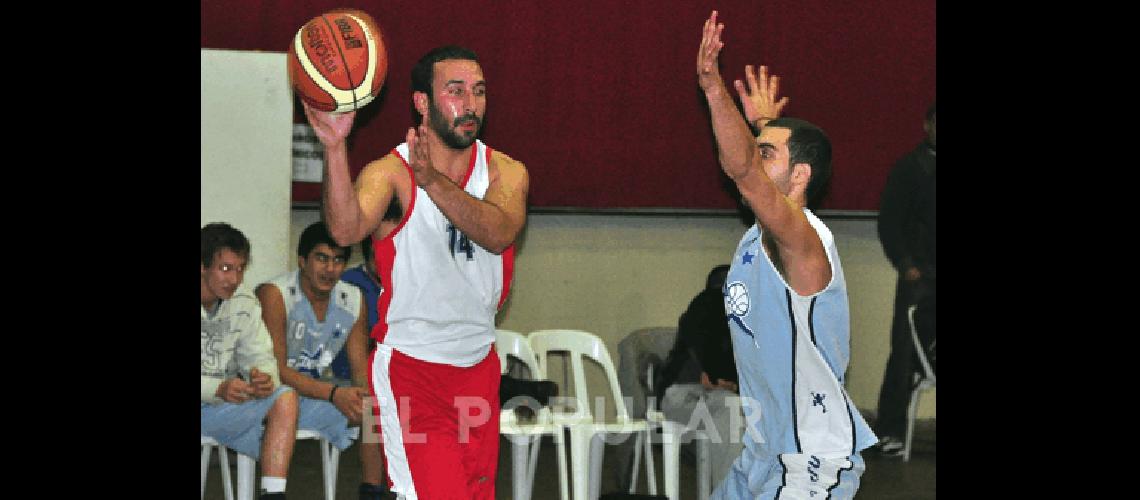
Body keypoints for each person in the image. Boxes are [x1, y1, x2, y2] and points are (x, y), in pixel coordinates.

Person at [303, 44, 529, 499]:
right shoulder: (393, 173)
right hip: (413, 371)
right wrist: (334, 148)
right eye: (456, 91)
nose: (470, 104)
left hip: (478, 366)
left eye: (479, 92)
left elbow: (498, 231)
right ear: (422, 102)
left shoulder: (506, 171)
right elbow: (345, 230)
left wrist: (435, 184)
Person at [696, 11, 876, 498]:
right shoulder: (758, 235)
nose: (755, 156)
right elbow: (754, 170)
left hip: (810, 462)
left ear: (801, 177)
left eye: (768, 153)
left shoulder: (802, 239)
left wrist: (714, 89)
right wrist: (764, 127)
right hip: (762, 451)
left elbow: (745, 172)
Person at [255, 222, 390, 500]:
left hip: (316, 394)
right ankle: (272, 494)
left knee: (375, 404)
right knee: (285, 396)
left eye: (338, 260)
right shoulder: (275, 294)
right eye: (321, 258)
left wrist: (364, 396)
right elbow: (275, 369)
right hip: (266, 397)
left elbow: (359, 368)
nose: (330, 269)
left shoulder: (353, 299)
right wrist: (334, 394)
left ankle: (373, 492)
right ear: (302, 261)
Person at [200, 222, 299, 500]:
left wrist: (262, 378)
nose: (234, 278)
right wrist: (217, 388)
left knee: (285, 397)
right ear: (202, 266)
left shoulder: (244, 302)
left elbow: (261, 356)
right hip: (213, 396)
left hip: (217, 407)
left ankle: (273, 494)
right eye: (225, 268)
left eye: (240, 268)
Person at [871, 102, 936, 458]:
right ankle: (890, 431)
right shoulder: (910, 168)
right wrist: (906, 264)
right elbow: (890, 222)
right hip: (920, 276)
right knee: (906, 354)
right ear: (927, 125)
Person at [653, 264, 746, 488]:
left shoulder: (748, 320)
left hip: (719, 400)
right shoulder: (705, 307)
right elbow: (709, 361)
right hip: (682, 396)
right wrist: (717, 378)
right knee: (730, 409)